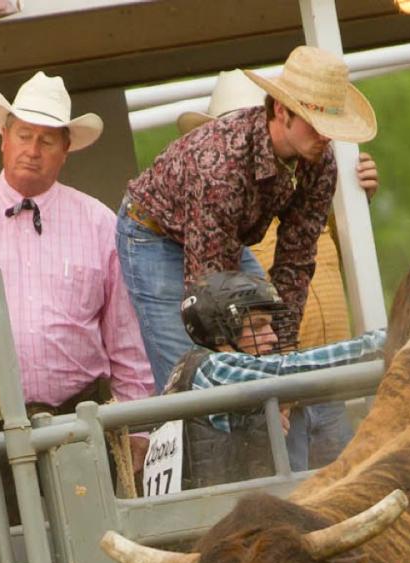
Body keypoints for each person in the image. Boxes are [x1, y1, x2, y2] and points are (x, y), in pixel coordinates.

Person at [117, 47, 377, 392]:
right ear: (282, 111)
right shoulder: (221, 164)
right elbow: (208, 292)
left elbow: (296, 262)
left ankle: (276, 422)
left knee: (276, 361)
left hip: (225, 238)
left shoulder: (319, 162)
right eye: (317, 125)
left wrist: (281, 352)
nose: (326, 136)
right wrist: (244, 365)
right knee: (194, 373)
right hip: (154, 236)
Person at [0, 72, 154, 423]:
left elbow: (126, 336)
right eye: (24, 135)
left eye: (46, 141)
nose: (32, 151)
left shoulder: (100, 222)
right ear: (4, 138)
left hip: (83, 417)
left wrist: (139, 430)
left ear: (66, 149)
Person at [176, 69, 377, 471]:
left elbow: (304, 259)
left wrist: (355, 201)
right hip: (292, 371)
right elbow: (215, 302)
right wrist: (273, 381)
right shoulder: (220, 182)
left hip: (308, 374)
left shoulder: (307, 173)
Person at [144, 271, 384, 494]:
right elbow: (290, 369)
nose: (273, 336)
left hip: (206, 505)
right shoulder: (214, 367)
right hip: (218, 510)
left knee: (287, 406)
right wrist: (379, 342)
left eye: (271, 325)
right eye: (258, 325)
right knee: (301, 401)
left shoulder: (186, 367)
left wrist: (260, 423)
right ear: (221, 329)